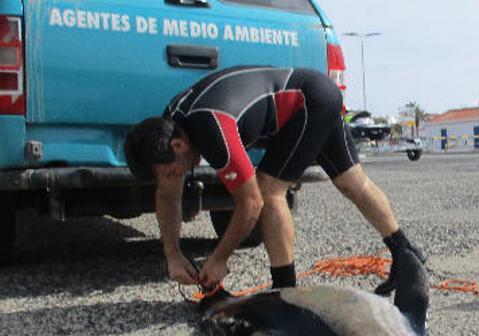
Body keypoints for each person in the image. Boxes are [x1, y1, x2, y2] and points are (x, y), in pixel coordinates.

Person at [124, 66, 424, 294]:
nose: (175, 177)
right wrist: (173, 255)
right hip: (313, 96)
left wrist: (218, 259)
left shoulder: (209, 128)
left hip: (311, 101)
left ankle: (285, 292)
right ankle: (408, 256)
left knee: (268, 191)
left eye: (170, 172)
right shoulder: (171, 127)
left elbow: (250, 204)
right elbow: (167, 194)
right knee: (352, 183)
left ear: (178, 146)